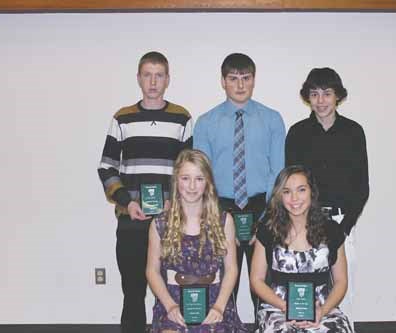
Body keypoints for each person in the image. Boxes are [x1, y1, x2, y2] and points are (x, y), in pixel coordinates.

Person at [97, 51, 193, 333]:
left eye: (159, 75)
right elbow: (106, 168)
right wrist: (127, 203)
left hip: (171, 222)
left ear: (168, 80)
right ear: (139, 78)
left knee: (176, 293)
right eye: (147, 75)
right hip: (132, 221)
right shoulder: (122, 118)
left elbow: (188, 171)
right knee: (134, 293)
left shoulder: (182, 118)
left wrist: (171, 201)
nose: (153, 81)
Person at [193, 53, 286, 316]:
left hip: (262, 205)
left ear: (254, 80)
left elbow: (278, 173)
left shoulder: (272, 119)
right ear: (223, 82)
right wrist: (212, 217)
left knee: (265, 285)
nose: (240, 85)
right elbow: (202, 177)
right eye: (233, 78)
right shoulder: (205, 123)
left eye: (246, 78)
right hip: (221, 207)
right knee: (224, 284)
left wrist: (269, 217)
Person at [285, 67, 369, 325]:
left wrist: (344, 228)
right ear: (307, 97)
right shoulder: (297, 133)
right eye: (315, 94)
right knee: (306, 292)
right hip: (305, 223)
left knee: (344, 290)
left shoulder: (353, 132)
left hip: (342, 222)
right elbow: (291, 185)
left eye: (327, 94)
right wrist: (300, 222)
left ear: (337, 96)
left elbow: (362, 186)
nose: (321, 101)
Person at [146, 149, 247, 332]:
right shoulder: (159, 224)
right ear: (176, 180)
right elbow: (152, 271)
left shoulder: (224, 221)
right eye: (185, 178)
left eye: (199, 179)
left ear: (208, 183)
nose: (192, 186)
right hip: (173, 301)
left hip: (215, 299)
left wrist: (219, 306)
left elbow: (231, 269)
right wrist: (170, 306)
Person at [250, 165, 353, 333]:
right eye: (287, 191)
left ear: (312, 192)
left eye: (301, 190)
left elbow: (341, 281)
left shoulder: (332, 230)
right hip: (278, 308)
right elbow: (256, 280)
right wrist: (286, 307)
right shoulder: (267, 230)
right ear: (279, 196)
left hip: (322, 308)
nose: (294, 198)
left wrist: (322, 311)